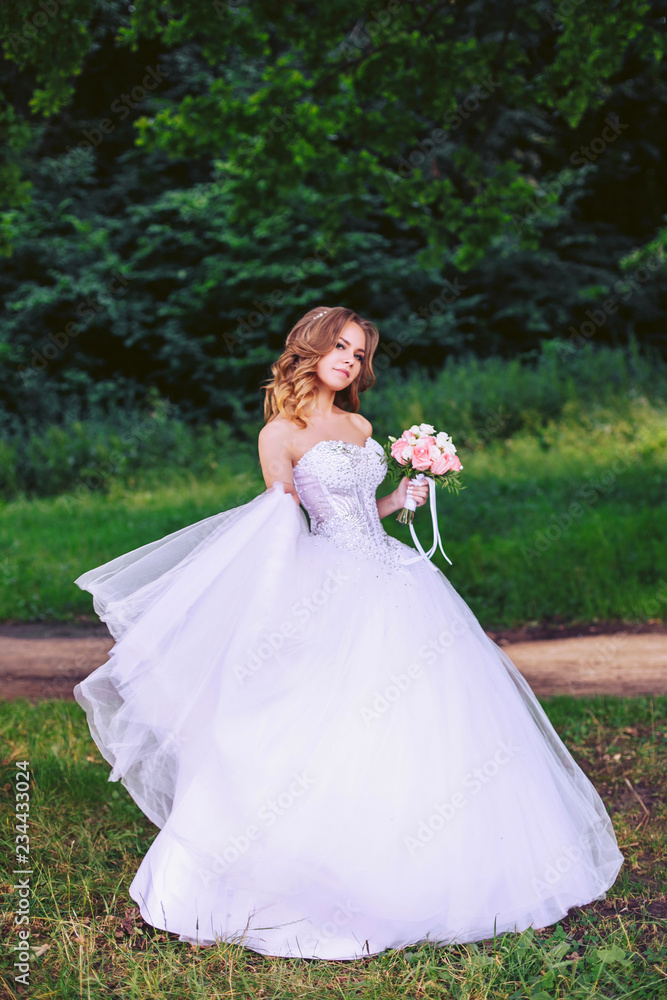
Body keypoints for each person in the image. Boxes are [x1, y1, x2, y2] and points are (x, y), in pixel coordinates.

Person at [73, 305, 623, 961]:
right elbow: (282, 523)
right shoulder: (282, 432)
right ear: (308, 349)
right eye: (339, 346)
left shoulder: (360, 425)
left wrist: (402, 500)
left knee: (432, 716)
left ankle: (449, 865)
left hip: (393, 573)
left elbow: (368, 511)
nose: (349, 360)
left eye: (359, 353)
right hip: (328, 580)